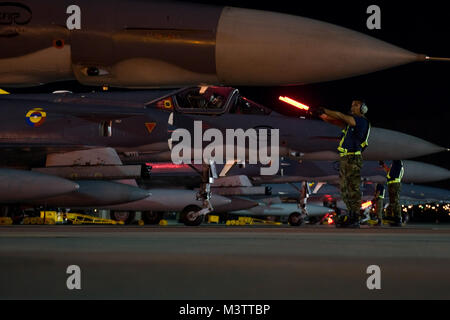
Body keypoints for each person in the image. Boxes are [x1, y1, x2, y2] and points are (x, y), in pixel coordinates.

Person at [313, 100, 371, 227]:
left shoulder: (361, 121)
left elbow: (339, 116)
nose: (352, 106)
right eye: (352, 104)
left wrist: (326, 110)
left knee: (352, 188)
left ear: (363, 109)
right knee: (345, 189)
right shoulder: (351, 124)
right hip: (346, 158)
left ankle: (355, 216)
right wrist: (321, 115)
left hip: (352, 158)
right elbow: (334, 121)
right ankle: (351, 214)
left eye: (356, 105)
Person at [380, 160, 404, 226]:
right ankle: (394, 218)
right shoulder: (394, 164)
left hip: (394, 184)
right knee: (393, 201)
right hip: (392, 184)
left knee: (395, 201)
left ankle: (398, 218)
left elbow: (392, 174)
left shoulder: (397, 163)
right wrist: (383, 166)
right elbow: (389, 172)